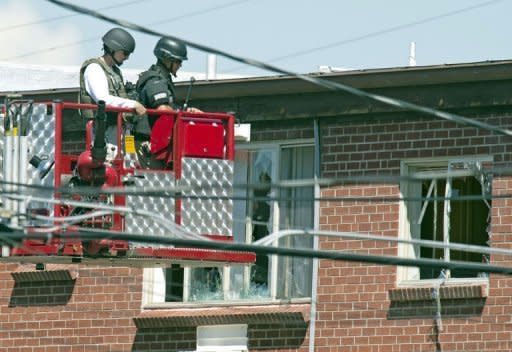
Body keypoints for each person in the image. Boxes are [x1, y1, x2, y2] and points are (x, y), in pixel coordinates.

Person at [79, 27, 146, 158]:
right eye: (125, 53)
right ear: (112, 49)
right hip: (103, 132)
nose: (127, 58)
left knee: (129, 165)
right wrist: (133, 104)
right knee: (110, 166)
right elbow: (102, 99)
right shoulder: (94, 68)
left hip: (121, 130)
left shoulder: (114, 71)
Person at [134, 37, 201, 168]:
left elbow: (169, 108)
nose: (180, 65)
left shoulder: (163, 79)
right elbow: (162, 109)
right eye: (178, 61)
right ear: (167, 59)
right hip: (148, 143)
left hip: (157, 144)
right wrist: (182, 114)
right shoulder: (155, 80)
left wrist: (186, 111)